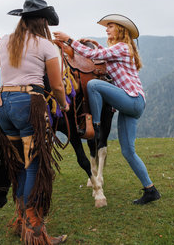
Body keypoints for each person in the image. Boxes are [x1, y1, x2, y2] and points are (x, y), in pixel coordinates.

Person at [53, 14, 161, 205]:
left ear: (120, 29)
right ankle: (150, 190)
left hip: (132, 99)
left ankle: (96, 124)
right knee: (128, 152)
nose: (107, 29)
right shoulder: (119, 50)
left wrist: (68, 39)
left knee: (93, 85)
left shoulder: (122, 47)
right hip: (132, 104)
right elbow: (103, 58)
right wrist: (95, 43)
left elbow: (94, 56)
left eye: (110, 26)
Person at [0, 0, 69, 244]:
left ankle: (22, 218)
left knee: (20, 162)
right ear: (43, 22)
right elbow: (55, 84)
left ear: (22, 19)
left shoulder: (6, 41)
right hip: (29, 105)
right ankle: (34, 225)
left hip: (3, 106)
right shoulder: (46, 45)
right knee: (33, 164)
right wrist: (63, 104)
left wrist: (0, 47)